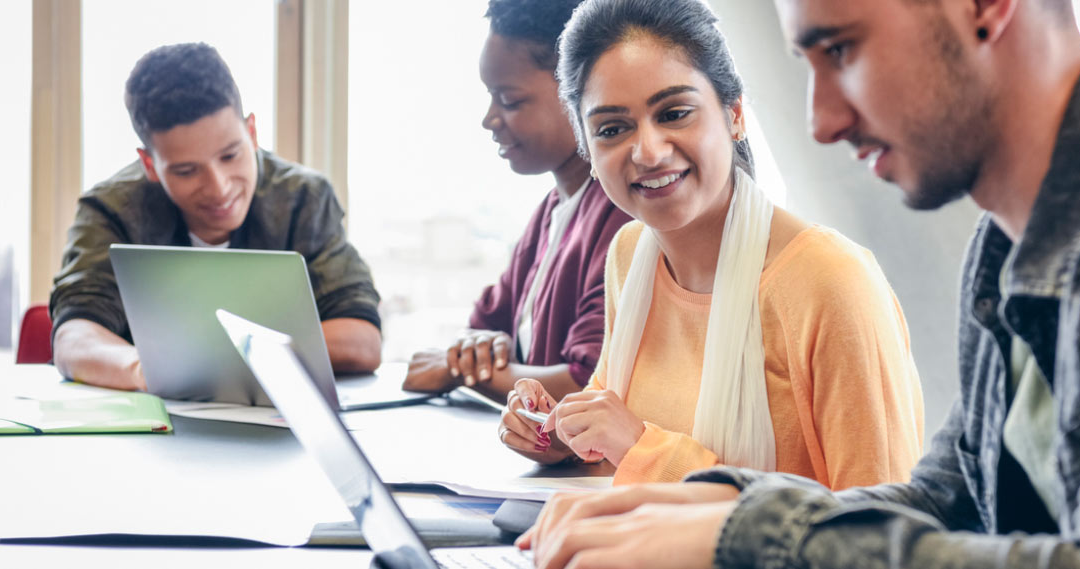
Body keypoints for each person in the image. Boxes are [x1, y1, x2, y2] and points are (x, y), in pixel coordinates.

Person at [517, 0, 1080, 567]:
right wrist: (704, 506)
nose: (822, 121)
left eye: (842, 51)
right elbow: (946, 502)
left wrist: (747, 536)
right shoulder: (1005, 237)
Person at [498, 0, 925, 487]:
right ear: (589, 153)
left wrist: (643, 447)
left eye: (675, 113)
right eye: (612, 129)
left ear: (735, 115)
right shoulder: (630, 254)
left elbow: (881, 531)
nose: (649, 152)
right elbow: (615, 436)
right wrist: (555, 434)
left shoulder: (830, 282)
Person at [51, 43, 383, 391]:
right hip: (156, 428)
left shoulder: (304, 199)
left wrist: (206, 360)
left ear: (251, 133)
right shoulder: (111, 210)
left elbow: (362, 340)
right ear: (150, 164)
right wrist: (147, 372)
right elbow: (74, 337)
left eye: (230, 155)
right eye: (186, 171)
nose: (219, 188)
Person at [401, 0, 633, 405]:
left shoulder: (624, 217)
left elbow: (586, 385)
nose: (489, 119)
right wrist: (473, 355)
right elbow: (482, 330)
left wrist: (458, 370)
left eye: (508, 100)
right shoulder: (549, 212)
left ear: (577, 89)